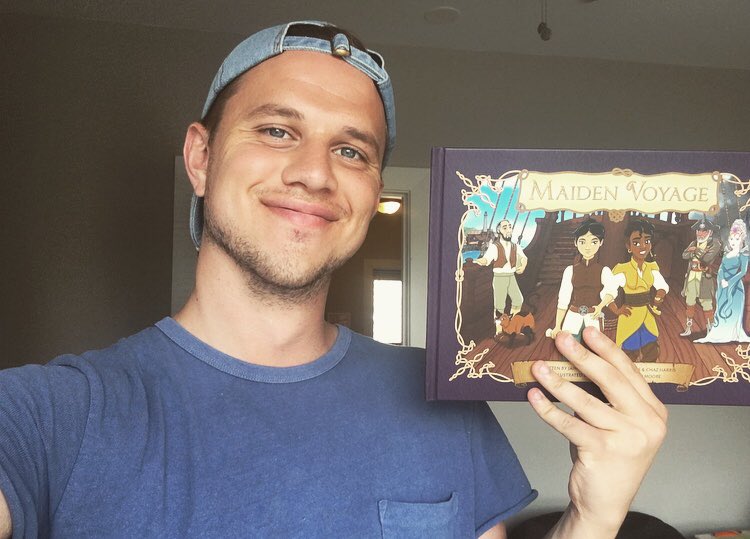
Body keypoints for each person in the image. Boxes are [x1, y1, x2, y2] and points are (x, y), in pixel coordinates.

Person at [0, 20, 667, 538]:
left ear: (373, 191)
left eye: (350, 150)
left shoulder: (445, 399)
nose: (315, 173)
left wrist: (593, 514)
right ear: (201, 158)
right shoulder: (49, 414)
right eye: (276, 130)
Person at [607, 219, 670, 362]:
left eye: (647, 241)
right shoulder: (622, 270)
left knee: (652, 351)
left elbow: (662, 285)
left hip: (647, 315)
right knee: (629, 353)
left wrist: (659, 295)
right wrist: (616, 310)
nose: (643, 246)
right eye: (636, 243)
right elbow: (608, 292)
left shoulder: (652, 268)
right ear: (628, 246)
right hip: (629, 315)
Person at [547, 218, 617, 341]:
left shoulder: (604, 271)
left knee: (593, 347)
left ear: (601, 242)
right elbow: (563, 299)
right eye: (582, 242)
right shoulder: (570, 270)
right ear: (576, 243)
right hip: (573, 316)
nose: (588, 247)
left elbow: (611, 291)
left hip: (593, 317)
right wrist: (557, 326)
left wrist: (600, 306)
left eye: (594, 242)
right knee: (569, 345)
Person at [695, 219, 750, 344]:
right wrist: (721, 280)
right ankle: (719, 332)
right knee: (721, 308)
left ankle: (732, 333)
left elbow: (742, 272)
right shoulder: (727, 253)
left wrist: (729, 282)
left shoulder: (743, 255)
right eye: (731, 239)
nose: (733, 242)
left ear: (742, 240)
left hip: (735, 287)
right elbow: (721, 268)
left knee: (732, 310)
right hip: (723, 285)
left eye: (737, 239)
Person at [474, 220, 527, 333]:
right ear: (499, 231)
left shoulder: (515, 246)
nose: (508, 230)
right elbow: (486, 260)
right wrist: (478, 261)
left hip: (511, 276)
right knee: (500, 306)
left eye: (510, 227)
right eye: (505, 228)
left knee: (518, 300)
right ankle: (499, 331)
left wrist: (522, 266)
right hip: (499, 278)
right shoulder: (494, 247)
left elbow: (524, 258)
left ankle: (512, 325)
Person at [680, 218, 722, 336]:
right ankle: (688, 328)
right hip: (691, 276)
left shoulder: (715, 244)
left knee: (707, 303)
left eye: (704, 231)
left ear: (710, 232)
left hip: (704, 278)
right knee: (689, 302)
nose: (700, 233)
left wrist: (695, 251)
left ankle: (710, 329)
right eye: (698, 230)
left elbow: (707, 259)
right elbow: (684, 255)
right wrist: (694, 251)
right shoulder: (693, 242)